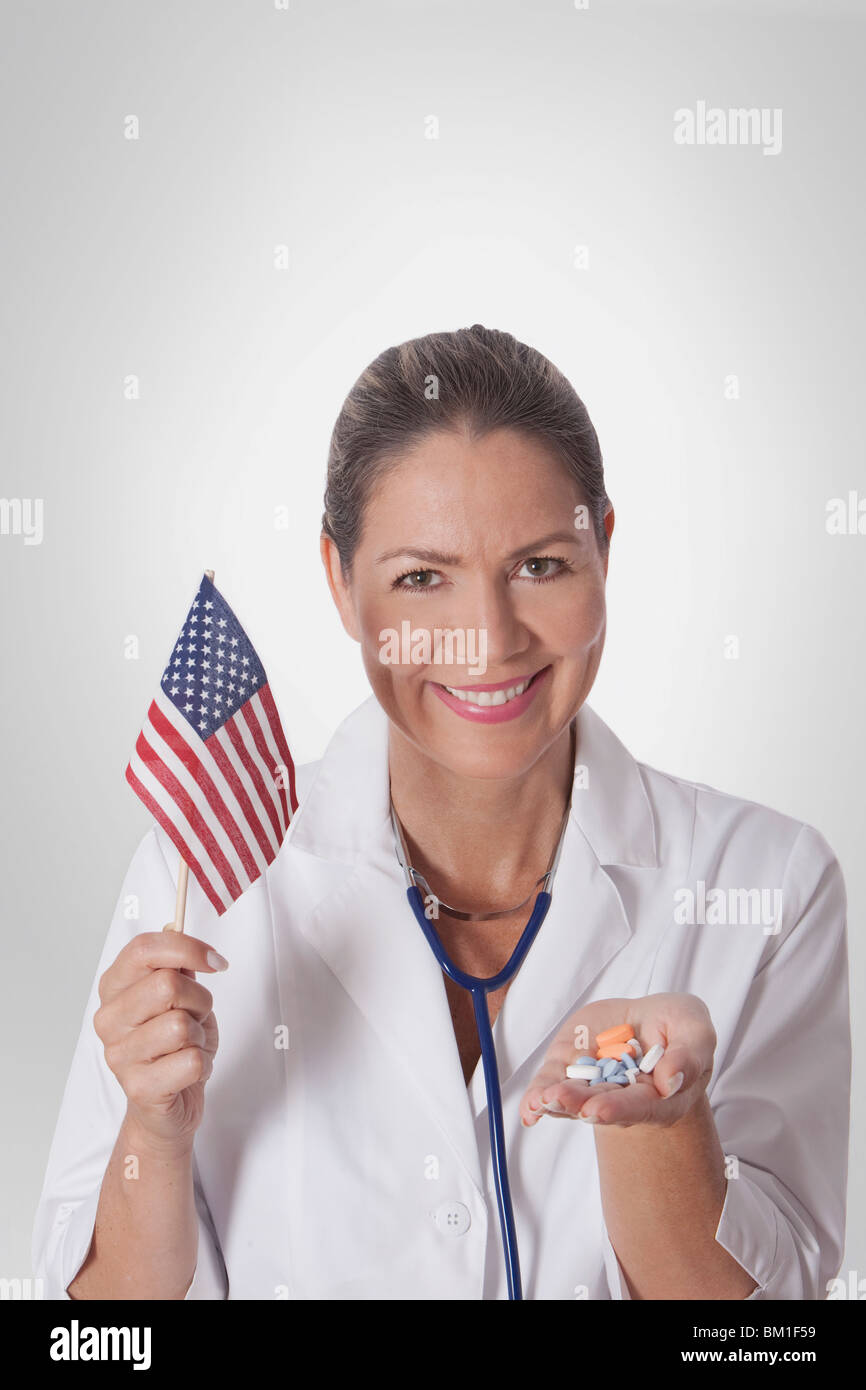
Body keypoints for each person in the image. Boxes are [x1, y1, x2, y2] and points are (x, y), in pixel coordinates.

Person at [33, 324, 850, 1300]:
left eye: (539, 565)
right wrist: (153, 1135)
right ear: (339, 582)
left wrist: (660, 1133)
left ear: (605, 547)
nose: (487, 639)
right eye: (421, 578)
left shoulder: (765, 885)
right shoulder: (202, 886)